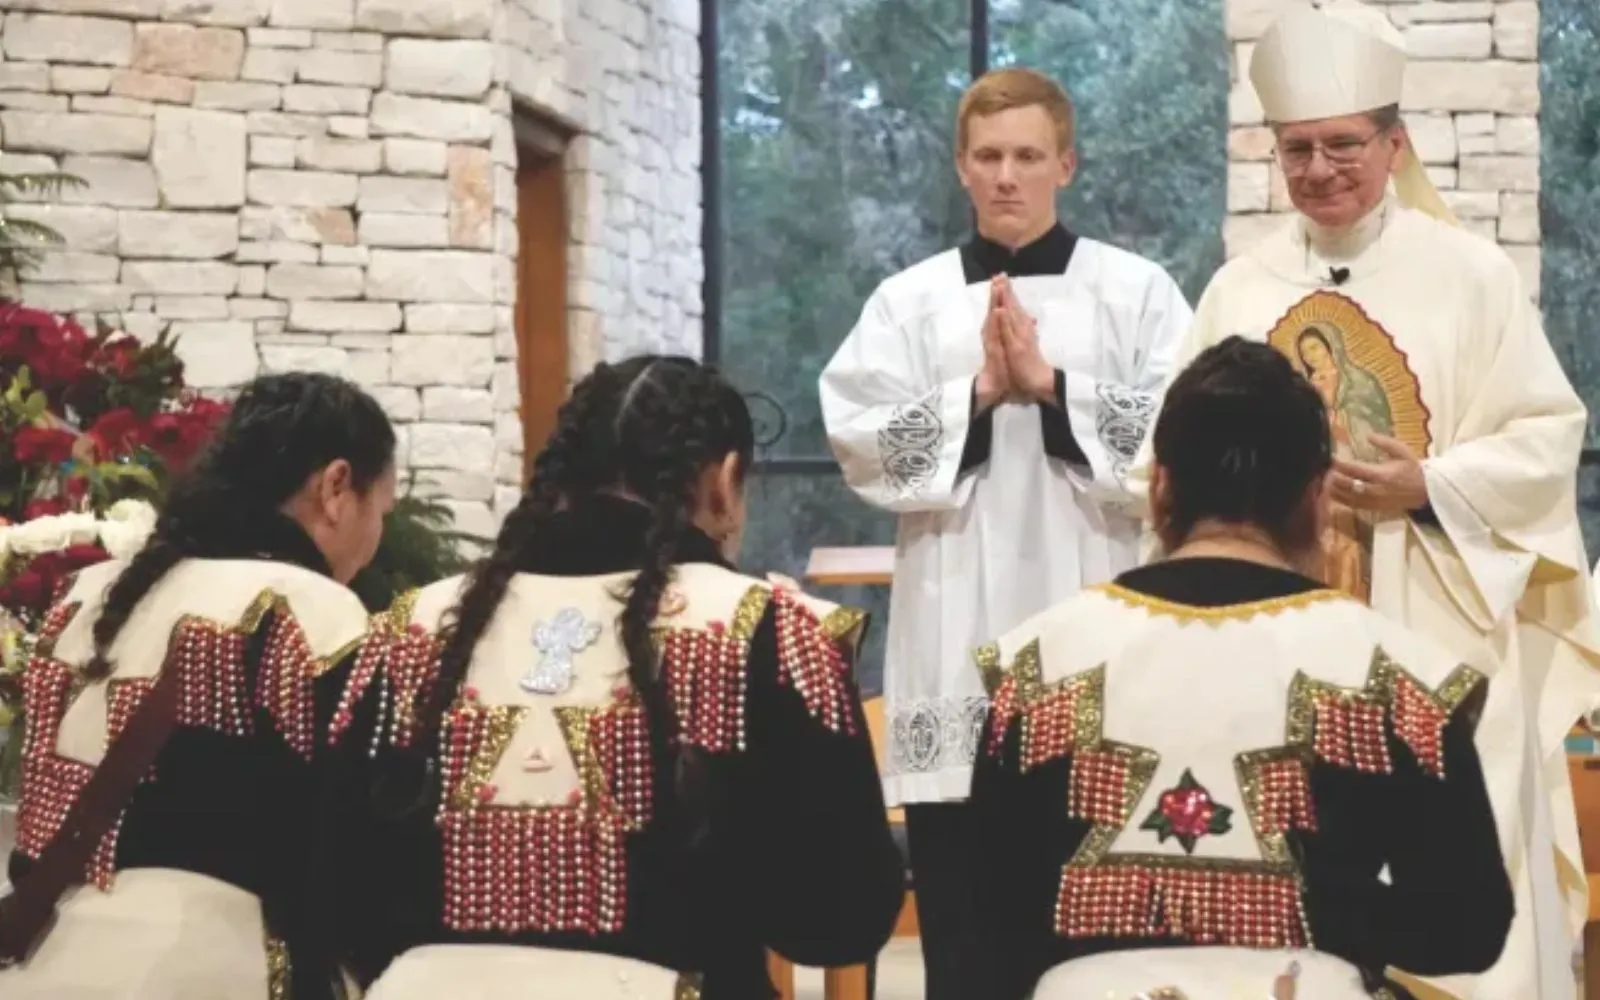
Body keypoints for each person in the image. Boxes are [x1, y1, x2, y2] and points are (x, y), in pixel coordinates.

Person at [1125, 3, 1600, 996]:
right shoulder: (1238, 290)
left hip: (1433, 638)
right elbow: (1161, 462)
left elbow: (1546, 437)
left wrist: (1430, 484)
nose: (1319, 168)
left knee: (1447, 911)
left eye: (1343, 143)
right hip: (1267, 653)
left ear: (1394, 143)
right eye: (1296, 148)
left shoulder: (1469, 276)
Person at [326, 356, 903, 999]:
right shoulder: (771, 636)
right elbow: (838, 920)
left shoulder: (409, 630)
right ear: (726, 480)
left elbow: (337, 884)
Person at [972, 337, 1514, 1000]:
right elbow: (1468, 927)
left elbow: (990, 917)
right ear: (1318, 497)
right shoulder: (1397, 677)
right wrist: (1313, 909)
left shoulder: (1034, 666)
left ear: (1163, 487)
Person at [817, 66, 1193, 995]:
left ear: (1066, 161)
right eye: (988, 157)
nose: (1007, 176)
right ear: (960, 166)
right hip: (956, 644)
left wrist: (1054, 389)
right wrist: (980, 394)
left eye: (1028, 155)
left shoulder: (1136, 292)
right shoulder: (906, 303)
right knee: (968, 943)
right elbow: (859, 444)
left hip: (1101, 639)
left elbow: (1184, 440)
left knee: (1097, 954)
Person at [0, 372, 397, 999]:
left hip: (42, 962)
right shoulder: (310, 612)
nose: (378, 535)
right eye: (383, 510)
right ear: (336, 487)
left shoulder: (84, 594)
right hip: (211, 965)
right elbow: (351, 841)